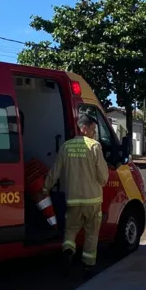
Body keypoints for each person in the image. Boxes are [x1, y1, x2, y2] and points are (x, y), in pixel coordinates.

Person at [44, 113, 109, 277]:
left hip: (72, 199)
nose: (94, 132)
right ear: (84, 128)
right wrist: (101, 182)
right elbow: (103, 175)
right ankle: (88, 265)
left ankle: (68, 250)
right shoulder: (95, 146)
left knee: (71, 230)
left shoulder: (66, 146)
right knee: (92, 233)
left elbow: (55, 171)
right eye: (93, 129)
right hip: (92, 199)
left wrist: (46, 187)